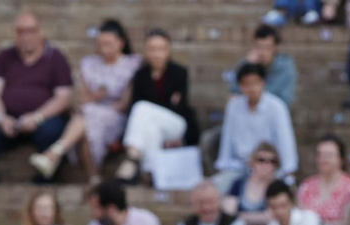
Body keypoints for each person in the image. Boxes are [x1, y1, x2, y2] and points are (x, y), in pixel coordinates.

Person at [0, 12, 74, 184]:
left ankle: (45, 183)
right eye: (21, 31)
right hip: (9, 118)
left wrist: (37, 117)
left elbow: (63, 98)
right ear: (14, 34)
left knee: (54, 133)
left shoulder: (56, 58)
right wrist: (2, 119)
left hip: (44, 118)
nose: (26, 36)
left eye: (31, 31)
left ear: (40, 32)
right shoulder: (4, 57)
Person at [29, 20, 140, 180]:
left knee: (88, 116)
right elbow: (83, 99)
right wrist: (97, 97)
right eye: (100, 44)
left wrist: (99, 105)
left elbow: (124, 104)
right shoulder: (89, 64)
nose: (103, 48)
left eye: (108, 44)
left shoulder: (132, 65)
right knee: (88, 119)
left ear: (121, 42)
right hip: (89, 114)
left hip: (115, 116)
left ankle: (55, 154)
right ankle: (92, 177)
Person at [118, 29, 201, 182]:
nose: (157, 54)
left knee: (142, 109)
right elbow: (136, 108)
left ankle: (132, 156)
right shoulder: (140, 75)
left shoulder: (179, 73)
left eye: (161, 49)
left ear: (168, 50)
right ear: (146, 51)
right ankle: (149, 173)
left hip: (176, 124)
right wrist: (167, 103)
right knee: (151, 128)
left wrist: (155, 107)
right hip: (154, 126)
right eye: (152, 49)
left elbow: (180, 107)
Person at [214, 63, 298, 186]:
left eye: (255, 83)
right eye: (246, 84)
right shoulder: (234, 106)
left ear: (263, 82)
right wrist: (223, 167)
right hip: (239, 168)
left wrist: (288, 172)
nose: (251, 88)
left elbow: (285, 142)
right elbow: (227, 141)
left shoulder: (277, 107)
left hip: (268, 168)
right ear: (240, 86)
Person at [299, 136, 350, 225]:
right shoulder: (306, 186)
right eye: (320, 154)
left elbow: (349, 224)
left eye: (329, 155)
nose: (323, 159)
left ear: (341, 159)